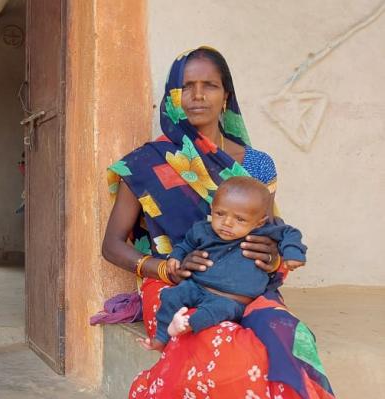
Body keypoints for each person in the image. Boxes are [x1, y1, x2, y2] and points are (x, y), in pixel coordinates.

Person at [101, 46, 333, 398]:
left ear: (226, 96)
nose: (197, 95)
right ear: (172, 96)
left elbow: (271, 228)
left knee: (289, 336)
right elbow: (112, 245)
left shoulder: (256, 164)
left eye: (209, 85)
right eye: (186, 86)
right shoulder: (145, 163)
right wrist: (167, 269)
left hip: (246, 285)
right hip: (177, 287)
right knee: (223, 345)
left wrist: (273, 258)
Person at [141, 177, 307, 351]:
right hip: (197, 287)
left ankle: (187, 325)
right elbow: (185, 244)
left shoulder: (263, 233)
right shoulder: (202, 230)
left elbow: (290, 233)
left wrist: (293, 253)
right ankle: (161, 338)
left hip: (232, 299)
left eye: (240, 219)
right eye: (220, 214)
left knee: (215, 312)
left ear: (259, 222)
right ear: (212, 208)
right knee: (171, 296)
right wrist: (176, 257)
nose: (227, 223)